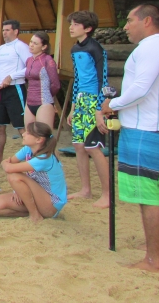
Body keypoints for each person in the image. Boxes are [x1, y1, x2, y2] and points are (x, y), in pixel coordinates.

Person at [102, 4, 159, 276]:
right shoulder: (157, 47)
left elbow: (140, 89)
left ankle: (153, 261)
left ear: (146, 21)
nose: (125, 26)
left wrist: (111, 104)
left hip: (146, 129)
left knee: (148, 195)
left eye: (129, 20)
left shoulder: (153, 47)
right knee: (156, 188)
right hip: (149, 126)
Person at [66, 11, 110, 208]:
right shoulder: (75, 49)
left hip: (94, 100)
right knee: (78, 145)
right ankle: (86, 189)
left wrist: (101, 108)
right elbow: (77, 79)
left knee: (93, 147)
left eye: (75, 24)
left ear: (88, 28)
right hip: (81, 101)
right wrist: (73, 107)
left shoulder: (96, 48)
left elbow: (103, 79)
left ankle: (107, 194)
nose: (71, 27)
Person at [0, 122, 67, 222]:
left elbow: (9, 168)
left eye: (28, 133)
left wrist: (6, 164)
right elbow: (8, 162)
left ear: (39, 140)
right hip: (35, 195)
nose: (23, 134)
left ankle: (35, 215)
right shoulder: (28, 149)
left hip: (51, 204)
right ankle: (33, 212)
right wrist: (17, 190)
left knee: (14, 176)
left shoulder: (44, 159)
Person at [0, 20, 33, 163]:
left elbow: (30, 67)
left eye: (8, 30)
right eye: (3, 30)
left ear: (16, 31)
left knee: (22, 126)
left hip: (15, 89)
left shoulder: (21, 47)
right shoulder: (1, 48)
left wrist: (11, 77)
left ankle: (32, 155)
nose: (4, 33)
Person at [24, 31, 61, 129]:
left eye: (35, 43)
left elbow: (56, 84)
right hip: (29, 102)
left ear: (44, 47)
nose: (31, 45)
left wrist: (48, 96)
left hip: (44, 102)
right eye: (31, 42)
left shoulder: (48, 60)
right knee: (29, 134)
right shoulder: (29, 60)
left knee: (43, 135)